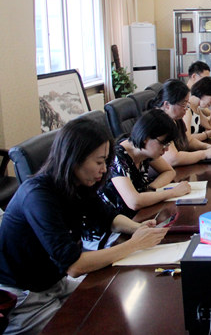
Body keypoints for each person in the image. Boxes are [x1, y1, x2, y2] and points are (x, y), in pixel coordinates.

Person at [0, 119, 168, 334]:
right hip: (24, 296)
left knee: (113, 307)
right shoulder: (38, 196)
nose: (104, 169)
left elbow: (107, 217)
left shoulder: (77, 184)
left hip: (54, 282)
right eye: (99, 162)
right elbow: (74, 266)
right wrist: (134, 245)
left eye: (106, 161)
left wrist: (138, 229)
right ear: (74, 158)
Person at [98, 109, 191, 220]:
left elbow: (169, 171)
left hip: (141, 213)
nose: (166, 149)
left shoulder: (144, 150)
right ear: (146, 138)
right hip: (118, 222)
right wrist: (173, 192)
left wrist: (151, 188)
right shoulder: (118, 156)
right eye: (164, 143)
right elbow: (134, 202)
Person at [149, 80, 211, 166]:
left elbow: (188, 141)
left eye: (187, 104)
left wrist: (207, 147)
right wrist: (205, 154)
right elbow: (173, 159)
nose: (187, 108)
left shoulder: (176, 118)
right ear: (167, 105)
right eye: (183, 104)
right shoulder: (158, 122)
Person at [186, 77, 211, 142]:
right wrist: (210, 133)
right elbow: (187, 138)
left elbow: (210, 125)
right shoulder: (186, 109)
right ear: (203, 91)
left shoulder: (196, 109)